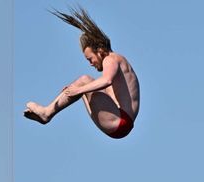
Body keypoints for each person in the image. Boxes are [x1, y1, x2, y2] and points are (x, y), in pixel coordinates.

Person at [23, 7, 140, 139]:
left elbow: (106, 81)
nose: (91, 63)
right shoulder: (116, 64)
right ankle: (47, 112)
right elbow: (108, 90)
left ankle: (46, 113)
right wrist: (73, 92)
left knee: (84, 80)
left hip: (120, 121)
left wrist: (78, 90)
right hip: (119, 121)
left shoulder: (111, 59)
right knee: (81, 85)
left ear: (100, 51)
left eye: (90, 59)